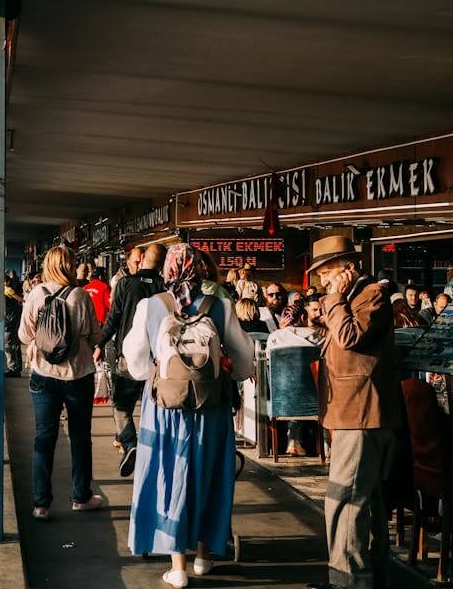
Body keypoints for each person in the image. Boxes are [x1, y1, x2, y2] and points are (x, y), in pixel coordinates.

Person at [123, 243, 255, 588]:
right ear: (199, 269)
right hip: (211, 407)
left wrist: (160, 370)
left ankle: (176, 565)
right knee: (208, 473)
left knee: (169, 473)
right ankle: (203, 557)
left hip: (165, 408)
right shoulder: (220, 305)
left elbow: (136, 364)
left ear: (167, 270)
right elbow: (244, 362)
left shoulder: (151, 305)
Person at [304, 236, 402, 589]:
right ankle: (369, 575)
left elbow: (349, 337)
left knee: (344, 499)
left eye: (326, 273)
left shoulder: (371, 294)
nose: (323, 282)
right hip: (352, 411)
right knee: (366, 498)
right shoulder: (352, 297)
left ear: (346, 268)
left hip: (361, 411)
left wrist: (333, 301)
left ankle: (346, 579)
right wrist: (323, 318)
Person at [17, 246, 104, 520]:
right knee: (80, 437)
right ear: (70, 266)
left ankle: (41, 505)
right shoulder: (80, 295)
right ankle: (81, 497)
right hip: (77, 375)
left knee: (44, 438)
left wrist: (41, 339)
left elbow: (23, 335)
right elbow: (95, 335)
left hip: (43, 375)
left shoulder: (36, 294)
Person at [99, 243, 166, 477]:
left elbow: (113, 318)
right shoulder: (165, 287)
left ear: (144, 257)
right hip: (159, 359)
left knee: (122, 407)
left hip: (128, 356)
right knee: (154, 405)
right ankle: (153, 448)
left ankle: (130, 443)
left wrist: (99, 343)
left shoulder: (126, 283)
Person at [268, 295, 326, 456]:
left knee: (288, 392)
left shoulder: (274, 337)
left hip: (281, 396)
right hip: (313, 394)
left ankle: (289, 441)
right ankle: (326, 445)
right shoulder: (315, 336)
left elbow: (267, 363)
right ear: (302, 317)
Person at [3, 275, 24, 377]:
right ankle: (17, 367)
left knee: (9, 343)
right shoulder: (7, 289)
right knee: (14, 342)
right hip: (13, 318)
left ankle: (13, 368)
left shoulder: (7, 290)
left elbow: (20, 299)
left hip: (11, 319)